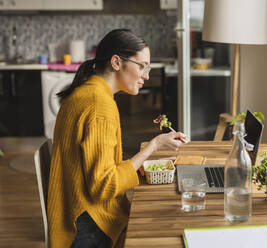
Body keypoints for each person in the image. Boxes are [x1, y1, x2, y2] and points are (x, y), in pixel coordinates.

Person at [47, 29, 187, 248]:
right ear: (116, 62)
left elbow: (100, 171)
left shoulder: (87, 92)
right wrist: (154, 146)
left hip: (73, 215)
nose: (146, 75)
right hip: (88, 227)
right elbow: (104, 186)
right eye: (142, 66)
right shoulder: (99, 105)